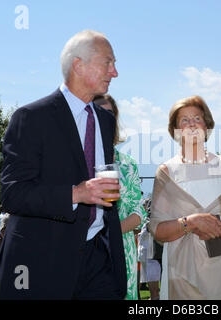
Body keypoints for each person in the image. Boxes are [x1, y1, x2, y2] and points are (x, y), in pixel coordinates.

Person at [0, 30, 127, 299]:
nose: (115, 72)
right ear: (79, 65)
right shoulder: (31, 118)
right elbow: (13, 195)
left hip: (99, 262)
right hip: (43, 263)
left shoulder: (105, 120)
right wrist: (76, 193)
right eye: (108, 63)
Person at [148, 95, 221, 300]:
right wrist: (191, 222)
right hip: (181, 272)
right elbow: (158, 230)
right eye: (184, 120)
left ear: (207, 125)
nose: (191, 124)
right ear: (175, 130)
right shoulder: (167, 171)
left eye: (197, 118)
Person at [94, 94, 148, 300]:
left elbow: (138, 211)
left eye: (109, 114)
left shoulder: (127, 164)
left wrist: (109, 234)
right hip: (84, 254)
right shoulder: (75, 161)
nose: (103, 119)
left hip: (122, 252)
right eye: (96, 113)